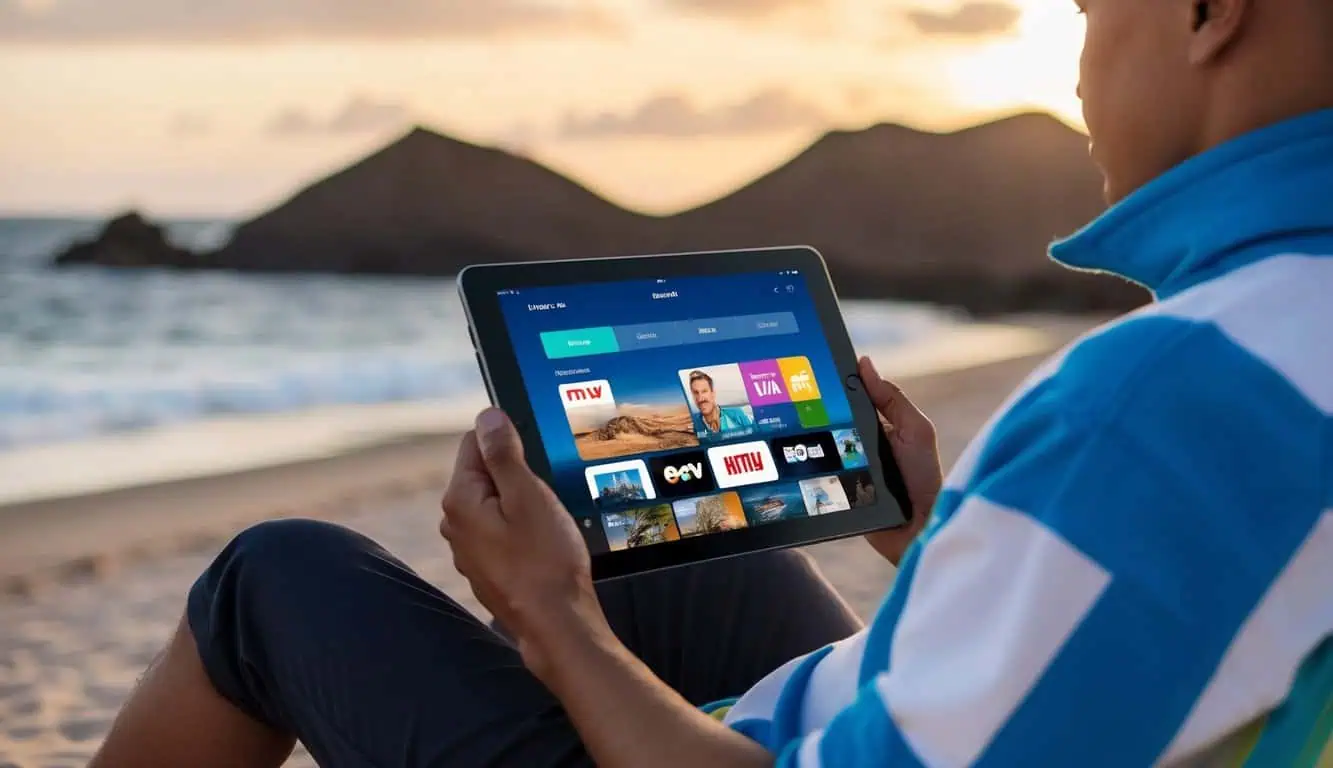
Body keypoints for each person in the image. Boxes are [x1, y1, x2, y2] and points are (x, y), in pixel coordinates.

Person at [92, 0, 1332, 764]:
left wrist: (550, 618)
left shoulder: (1164, 388)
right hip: (870, 716)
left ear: (1206, 9)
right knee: (694, 553)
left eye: (1082, 5)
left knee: (273, 575)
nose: (1075, 67)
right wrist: (932, 536)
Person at [687, 369, 756, 438]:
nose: (700, 398)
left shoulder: (737, 414)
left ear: (713, 393)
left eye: (704, 391)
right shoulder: (694, 426)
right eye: (696, 393)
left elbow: (757, 435)